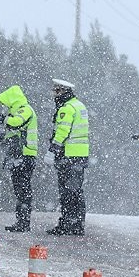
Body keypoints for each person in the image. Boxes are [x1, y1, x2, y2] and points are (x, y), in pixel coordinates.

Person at [0, 85, 38, 232]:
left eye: (6, 104)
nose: (5, 107)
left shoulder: (24, 110)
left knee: (23, 190)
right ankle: (21, 221)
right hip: (18, 157)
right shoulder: (17, 112)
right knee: (19, 189)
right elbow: (14, 135)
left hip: (25, 157)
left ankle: (24, 222)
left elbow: (15, 123)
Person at [46, 78, 89, 236]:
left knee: (67, 191)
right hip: (80, 155)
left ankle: (67, 223)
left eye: (56, 91)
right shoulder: (79, 105)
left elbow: (62, 131)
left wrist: (53, 149)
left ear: (63, 91)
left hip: (68, 154)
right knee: (76, 191)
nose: (54, 95)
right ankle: (77, 223)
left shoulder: (67, 108)